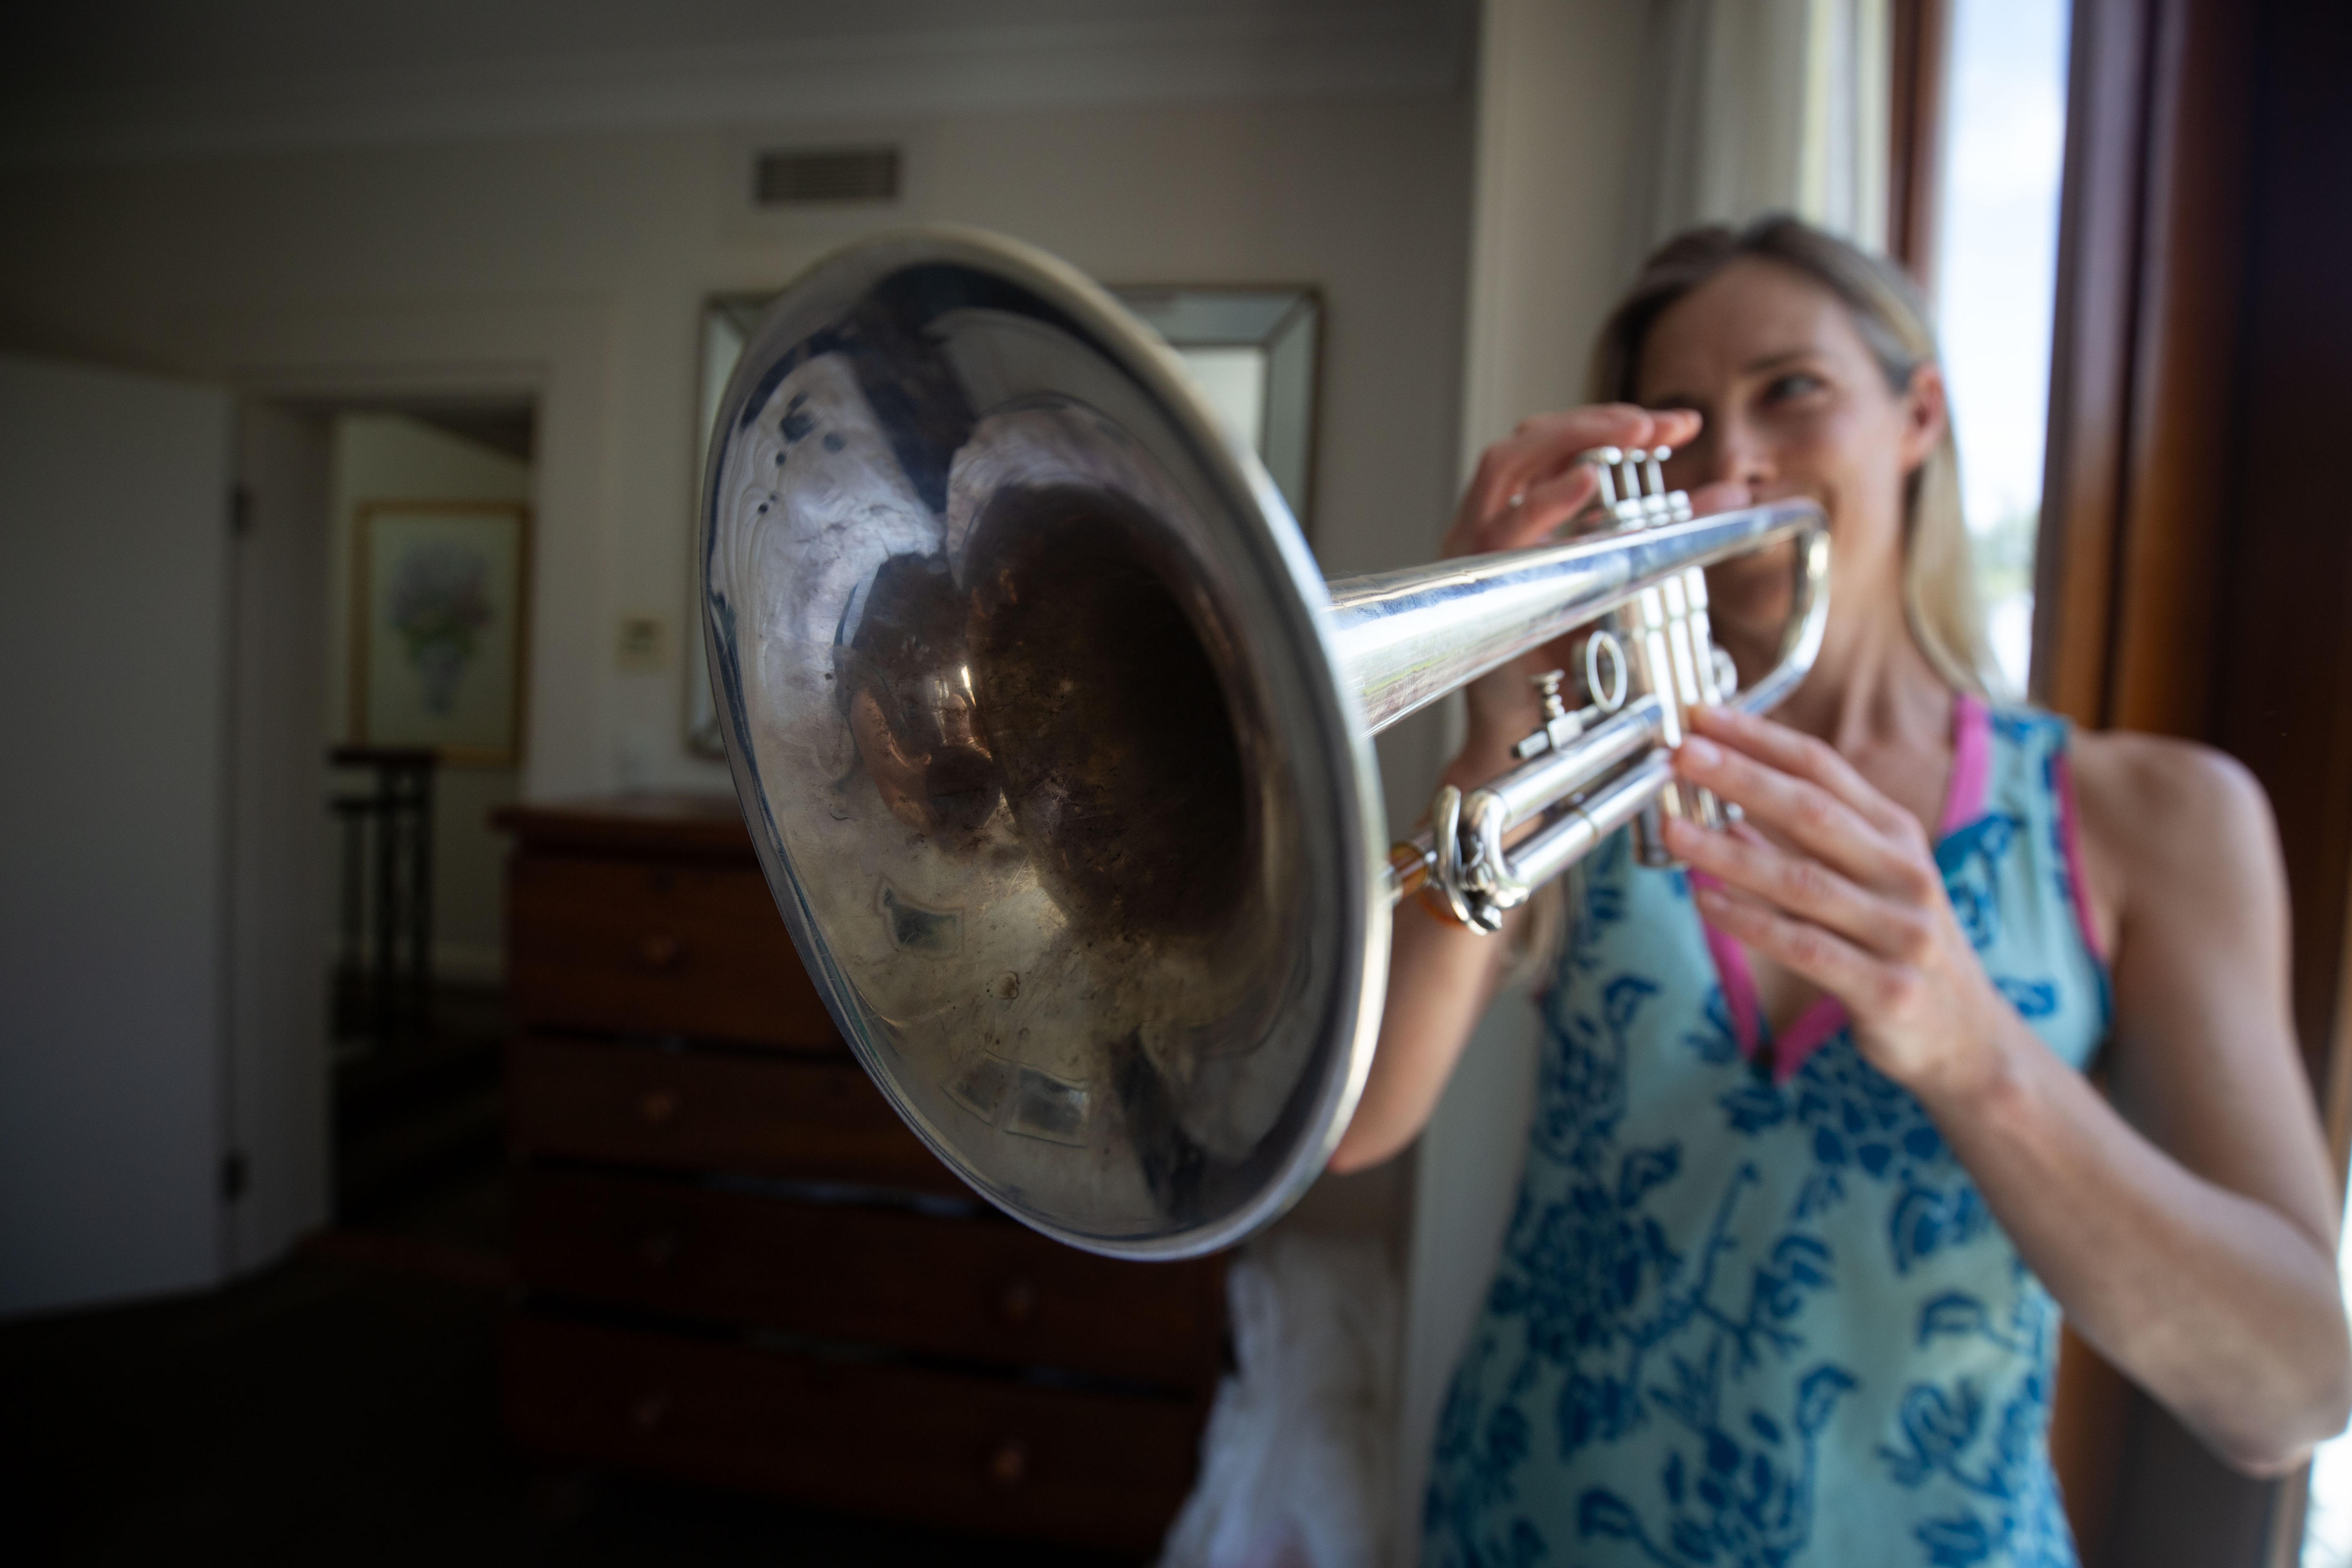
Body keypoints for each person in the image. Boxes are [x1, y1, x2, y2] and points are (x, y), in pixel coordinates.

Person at [1327, 215, 2352, 1567]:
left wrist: (1977, 1050)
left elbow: (2290, 1390)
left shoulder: (2155, 817)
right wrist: (1488, 740)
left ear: (1916, 414)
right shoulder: (1594, 762)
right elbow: (1352, 1133)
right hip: (1538, 1521)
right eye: (1684, 423)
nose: (1737, 458)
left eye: (1792, 391)